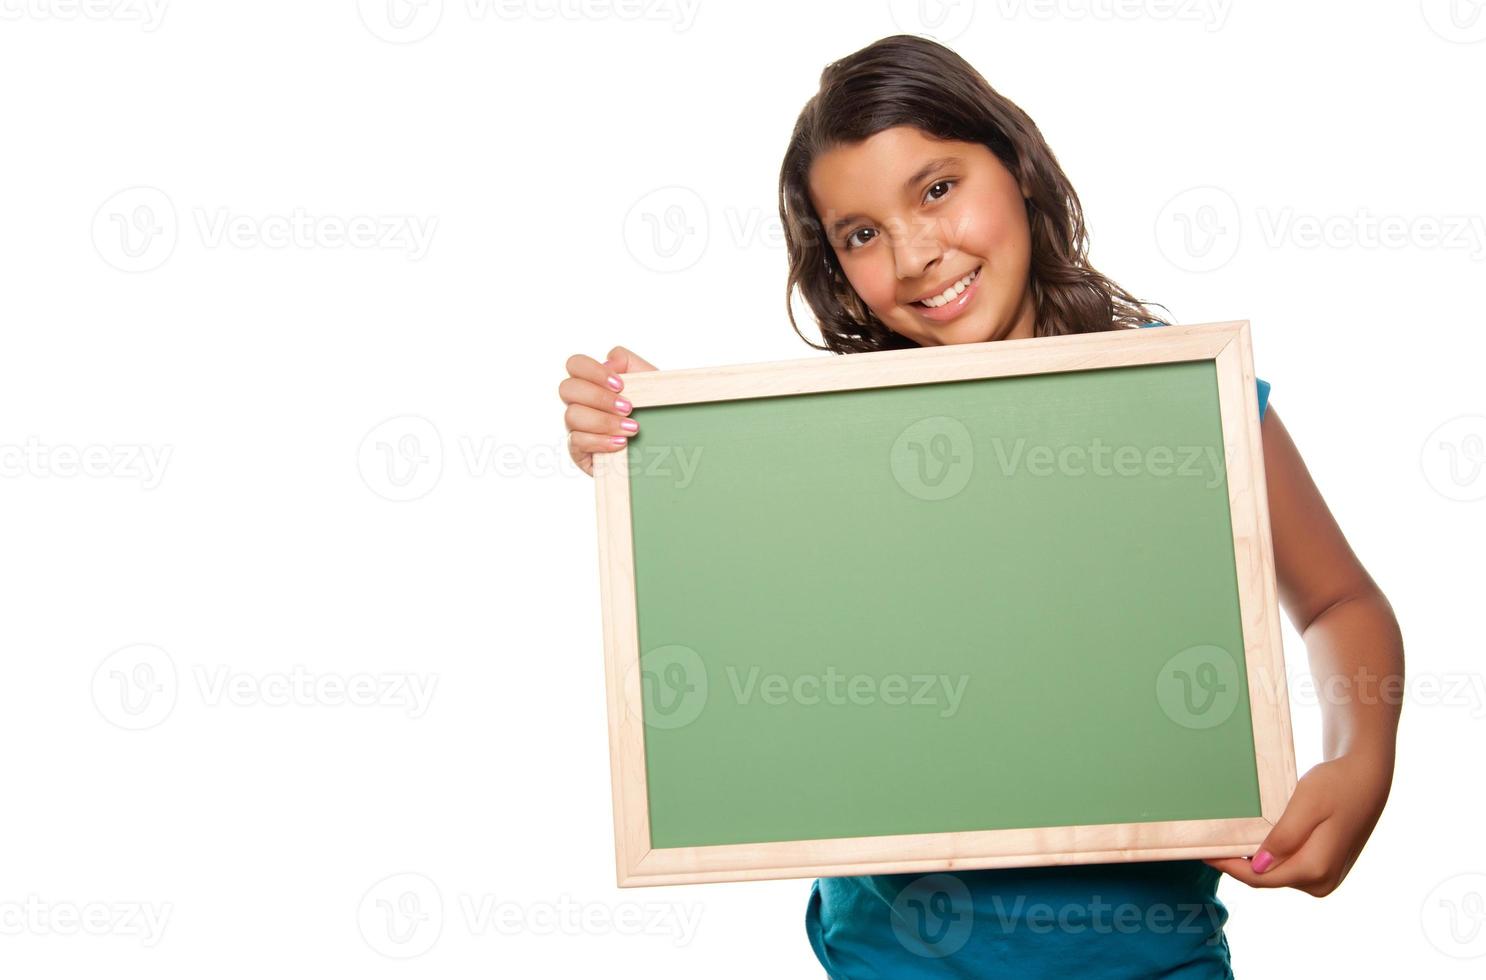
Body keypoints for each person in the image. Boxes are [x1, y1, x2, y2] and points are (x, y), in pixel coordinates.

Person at [558, 34, 1402, 978]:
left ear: (1019, 168)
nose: (916, 253)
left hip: (1153, 962)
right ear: (838, 269)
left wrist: (1361, 757)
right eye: (862, 234)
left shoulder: (1178, 398)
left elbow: (1340, 604)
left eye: (936, 188)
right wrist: (659, 452)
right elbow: (760, 638)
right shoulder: (833, 447)